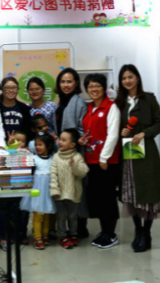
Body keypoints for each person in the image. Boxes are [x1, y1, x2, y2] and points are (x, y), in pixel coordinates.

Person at [115, 64, 160, 253]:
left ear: (137, 78)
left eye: (130, 77)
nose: (127, 81)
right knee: (132, 193)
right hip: (129, 150)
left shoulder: (149, 99)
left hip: (147, 151)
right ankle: (138, 230)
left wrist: (144, 133)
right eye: (124, 78)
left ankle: (146, 233)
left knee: (148, 193)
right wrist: (122, 131)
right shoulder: (119, 103)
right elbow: (114, 126)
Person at [81, 73, 121, 250]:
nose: (94, 89)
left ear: (104, 88)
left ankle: (110, 234)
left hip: (106, 162)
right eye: (90, 86)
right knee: (98, 197)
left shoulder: (111, 107)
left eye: (97, 86)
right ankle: (104, 231)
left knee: (108, 198)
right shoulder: (89, 107)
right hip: (91, 160)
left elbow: (113, 135)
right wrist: (82, 140)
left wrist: (104, 158)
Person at [54, 68, 89, 238]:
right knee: (64, 190)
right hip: (62, 153)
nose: (66, 85)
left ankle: (80, 228)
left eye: (69, 81)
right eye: (63, 81)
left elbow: (82, 129)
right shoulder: (60, 102)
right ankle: (65, 228)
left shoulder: (78, 102)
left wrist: (72, 141)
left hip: (74, 153)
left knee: (77, 190)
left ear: (76, 83)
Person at [51, 129, 89, 249]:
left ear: (72, 144)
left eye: (63, 140)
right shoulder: (56, 157)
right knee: (61, 217)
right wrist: (54, 190)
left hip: (74, 193)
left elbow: (82, 173)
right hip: (60, 193)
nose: (60, 142)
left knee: (73, 216)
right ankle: (62, 236)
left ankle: (73, 234)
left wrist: (74, 165)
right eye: (59, 139)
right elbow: (53, 175)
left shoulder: (77, 157)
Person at [20, 134, 56, 250]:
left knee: (47, 214)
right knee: (38, 215)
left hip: (48, 190)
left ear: (49, 146)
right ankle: (37, 237)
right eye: (36, 145)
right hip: (38, 191)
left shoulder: (53, 159)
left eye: (40, 145)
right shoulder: (34, 158)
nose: (37, 147)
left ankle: (45, 234)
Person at [0, 77, 31, 147]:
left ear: (17, 89)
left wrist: (26, 145)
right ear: (2, 90)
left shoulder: (24, 108)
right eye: (7, 88)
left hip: (19, 147)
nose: (11, 90)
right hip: (0, 146)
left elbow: (28, 130)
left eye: (14, 87)